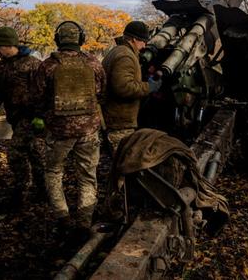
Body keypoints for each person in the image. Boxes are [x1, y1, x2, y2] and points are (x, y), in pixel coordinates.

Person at [35, 21, 106, 235]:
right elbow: (102, 93)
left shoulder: (47, 65)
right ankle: (84, 222)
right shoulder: (94, 64)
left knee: (53, 172)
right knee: (87, 176)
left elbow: (37, 98)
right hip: (88, 132)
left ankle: (63, 218)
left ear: (58, 40)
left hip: (58, 132)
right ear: (81, 40)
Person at [0, 26, 45, 205]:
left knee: (30, 154)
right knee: (25, 155)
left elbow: (44, 92)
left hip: (33, 119)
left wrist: (41, 116)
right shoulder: (1, 67)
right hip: (16, 119)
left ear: (9, 45)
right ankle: (25, 188)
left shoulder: (33, 64)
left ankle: (38, 191)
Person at [101, 20, 160, 154]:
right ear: (134, 39)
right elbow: (123, 87)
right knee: (123, 164)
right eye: (143, 41)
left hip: (114, 118)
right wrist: (149, 87)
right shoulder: (125, 56)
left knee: (118, 164)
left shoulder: (117, 51)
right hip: (120, 122)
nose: (145, 45)